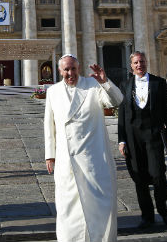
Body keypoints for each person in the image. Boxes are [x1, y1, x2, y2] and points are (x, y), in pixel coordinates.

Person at [44, 54, 123, 242]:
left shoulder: (93, 85)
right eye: (66, 70)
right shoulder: (53, 91)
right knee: (68, 209)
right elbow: (49, 125)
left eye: (73, 69)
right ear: (59, 71)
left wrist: (105, 82)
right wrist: (50, 155)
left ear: (78, 68)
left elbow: (116, 101)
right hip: (66, 159)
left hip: (93, 157)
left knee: (98, 206)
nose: (70, 73)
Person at [118, 51, 167, 229]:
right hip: (133, 136)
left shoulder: (159, 83)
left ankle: (163, 209)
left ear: (146, 62)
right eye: (135, 63)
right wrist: (122, 140)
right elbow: (121, 115)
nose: (139, 65)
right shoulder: (125, 85)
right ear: (131, 66)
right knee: (139, 176)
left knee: (158, 174)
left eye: (141, 61)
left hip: (154, 135)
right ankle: (147, 215)